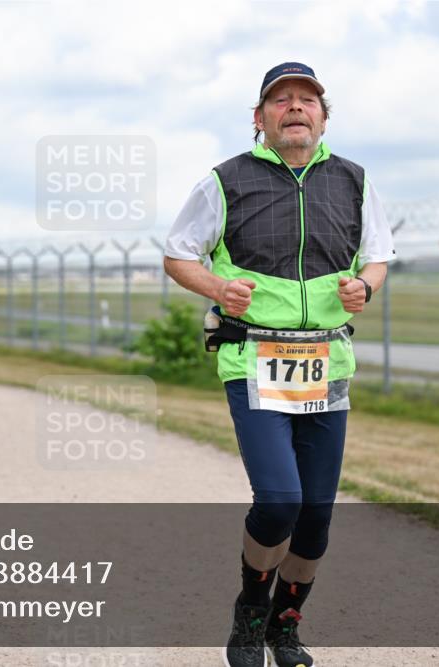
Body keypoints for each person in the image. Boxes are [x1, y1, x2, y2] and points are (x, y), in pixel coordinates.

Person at [163, 62, 395, 667]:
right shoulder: (225, 181)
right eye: (281, 99)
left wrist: (365, 288)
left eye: (307, 100)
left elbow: (377, 257)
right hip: (253, 358)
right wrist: (218, 288)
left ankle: (284, 626)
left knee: (315, 517)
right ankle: (250, 612)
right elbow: (177, 254)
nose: (295, 107)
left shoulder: (355, 181)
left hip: (327, 362)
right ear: (260, 118)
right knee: (279, 501)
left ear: (323, 117)